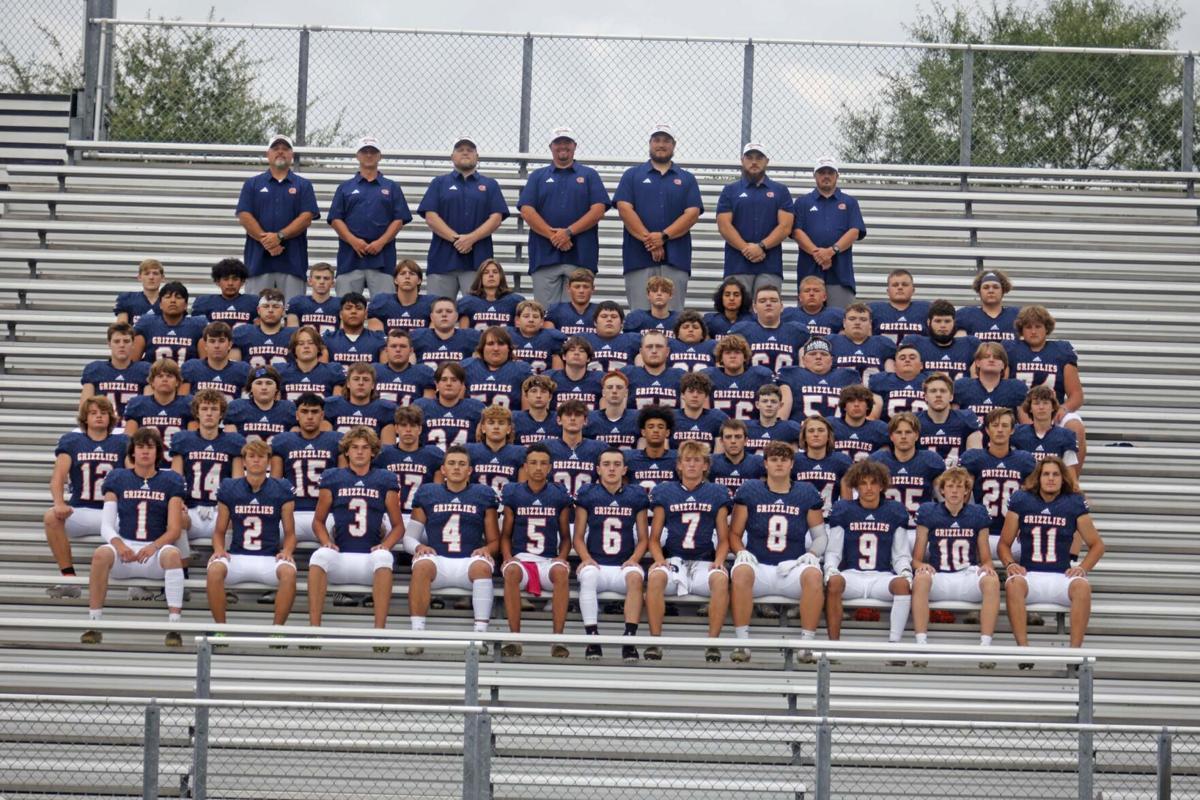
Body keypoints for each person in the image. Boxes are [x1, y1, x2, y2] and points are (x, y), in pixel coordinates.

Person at [80, 428, 188, 647]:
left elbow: (174, 529)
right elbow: (107, 525)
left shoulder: (171, 480)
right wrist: (119, 545)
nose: (145, 452)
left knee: (173, 555)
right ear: (132, 451)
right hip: (126, 550)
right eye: (140, 447)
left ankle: (174, 626)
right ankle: (93, 622)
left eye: (150, 447)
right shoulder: (118, 477)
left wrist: (153, 546)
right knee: (101, 553)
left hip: (154, 552)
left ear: (158, 452)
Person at [728, 441, 827, 663]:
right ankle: (742, 644)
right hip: (759, 567)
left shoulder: (805, 492)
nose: (779, 464)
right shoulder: (751, 491)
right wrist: (740, 551)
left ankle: (806, 645)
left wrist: (812, 554)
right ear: (765, 464)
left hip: (791, 568)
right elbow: (734, 534)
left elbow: (820, 536)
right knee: (741, 572)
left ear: (792, 464)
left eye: (784, 459)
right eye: (774, 459)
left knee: (814, 574)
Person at [1000, 456, 1105, 651]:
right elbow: (1004, 544)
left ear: (1063, 478)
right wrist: (1009, 564)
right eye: (1046, 474)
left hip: (1060, 576)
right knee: (1014, 584)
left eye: (1056, 474)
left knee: (1082, 587)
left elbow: (1097, 545)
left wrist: (1082, 568)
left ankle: (1074, 652)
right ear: (1038, 477)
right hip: (1030, 574)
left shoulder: (1073, 503)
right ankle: (1023, 650)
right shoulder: (1022, 500)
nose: (1051, 478)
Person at [405, 444, 501, 649]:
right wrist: (418, 547)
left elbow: (494, 540)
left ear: (470, 470)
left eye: (461, 464)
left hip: (469, 562)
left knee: (483, 566)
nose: (456, 467)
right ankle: (416, 634)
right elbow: (409, 538)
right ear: (443, 469)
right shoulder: (428, 492)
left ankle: (480, 636)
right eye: (451, 463)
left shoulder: (483, 494)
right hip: (438, 561)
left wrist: (488, 549)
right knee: (421, 565)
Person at [308, 427, 402, 633]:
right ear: (347, 451)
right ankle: (314, 630)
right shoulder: (333, 477)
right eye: (355, 447)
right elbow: (318, 521)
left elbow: (398, 527)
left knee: (384, 557)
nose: (360, 452)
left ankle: (379, 632)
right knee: (318, 556)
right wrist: (326, 541)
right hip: (341, 556)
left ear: (373, 452)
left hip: (370, 559)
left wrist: (384, 546)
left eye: (365, 448)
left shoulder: (385, 479)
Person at [646, 440, 733, 662]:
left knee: (721, 580)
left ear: (706, 466)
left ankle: (712, 644)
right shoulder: (665, 491)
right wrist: (658, 560)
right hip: (674, 558)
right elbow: (654, 538)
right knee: (655, 576)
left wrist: (720, 560)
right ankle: (655, 642)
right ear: (679, 465)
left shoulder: (716, 492)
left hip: (704, 560)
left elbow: (724, 538)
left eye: (697, 460)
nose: (692, 465)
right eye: (688, 460)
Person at [912, 466, 999, 664]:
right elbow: (916, 558)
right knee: (921, 577)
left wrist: (987, 567)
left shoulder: (977, 513)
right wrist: (922, 566)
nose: (954, 491)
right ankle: (920, 645)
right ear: (942, 490)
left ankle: (985, 647)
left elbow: (986, 558)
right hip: (939, 577)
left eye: (959, 487)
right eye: (950, 486)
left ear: (967, 491)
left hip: (966, 576)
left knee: (992, 581)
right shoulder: (928, 512)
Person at [206, 439, 298, 626]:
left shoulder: (281, 489)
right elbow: (219, 531)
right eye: (251, 456)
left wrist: (287, 551)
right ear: (244, 462)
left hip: (268, 557)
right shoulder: (230, 487)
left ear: (268, 461)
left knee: (289, 573)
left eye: (261, 456)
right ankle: (220, 628)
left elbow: (290, 533)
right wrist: (218, 549)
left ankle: (277, 631)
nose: (256, 460)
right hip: (238, 556)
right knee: (214, 569)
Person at [517, 127, 610, 307]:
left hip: (581, 257)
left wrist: (568, 232)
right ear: (551, 146)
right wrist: (554, 236)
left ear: (575, 146)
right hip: (545, 257)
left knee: (576, 317)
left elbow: (598, 210)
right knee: (545, 315)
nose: (563, 146)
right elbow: (527, 210)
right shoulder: (538, 176)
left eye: (567, 142)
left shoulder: (589, 175)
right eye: (558, 143)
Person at [44, 397, 128, 597]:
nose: (99, 416)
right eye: (93, 413)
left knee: (141, 519)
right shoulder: (72, 442)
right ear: (85, 418)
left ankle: (136, 581)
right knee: (51, 517)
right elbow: (58, 477)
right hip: (81, 509)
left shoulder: (123, 442)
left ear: (111, 418)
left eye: (103, 413)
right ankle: (69, 578)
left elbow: (133, 475)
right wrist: (59, 502)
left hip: (113, 513)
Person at [823, 459, 914, 645]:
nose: (869, 488)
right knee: (833, 582)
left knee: (902, 585)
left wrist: (905, 571)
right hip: (852, 576)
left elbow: (900, 553)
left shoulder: (894, 511)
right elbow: (833, 550)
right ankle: (833, 645)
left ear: (882, 485)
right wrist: (831, 568)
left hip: (881, 577)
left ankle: (894, 645)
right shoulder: (844, 509)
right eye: (863, 483)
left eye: (873, 482)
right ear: (856, 485)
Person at [613, 124, 702, 311]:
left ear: (674, 145)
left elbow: (692, 213)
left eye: (666, 141)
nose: (661, 145)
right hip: (638, 258)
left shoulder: (687, 179)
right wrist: (651, 241)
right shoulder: (632, 176)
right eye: (657, 140)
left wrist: (663, 237)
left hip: (676, 259)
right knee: (639, 318)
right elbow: (624, 209)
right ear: (650, 143)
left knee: (674, 319)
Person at [574, 448, 650, 662]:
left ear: (625, 469)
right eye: (606, 464)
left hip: (622, 565)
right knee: (587, 576)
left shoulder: (635, 495)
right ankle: (592, 638)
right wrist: (586, 558)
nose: (611, 468)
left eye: (617, 464)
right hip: (596, 564)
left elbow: (643, 537)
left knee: (636, 576)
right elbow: (578, 536)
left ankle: (629, 639)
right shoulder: (588, 494)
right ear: (598, 469)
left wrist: (634, 559)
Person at [499, 444, 574, 656]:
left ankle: (557, 640)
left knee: (561, 571)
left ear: (550, 467)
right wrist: (507, 558)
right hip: (521, 559)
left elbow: (566, 538)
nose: (538, 468)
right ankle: (515, 639)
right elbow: (505, 535)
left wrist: (561, 558)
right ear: (525, 466)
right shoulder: (513, 493)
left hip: (548, 561)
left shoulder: (558, 494)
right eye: (533, 463)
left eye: (543, 463)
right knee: (511, 571)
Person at [418, 136, 510, 299]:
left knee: (476, 314)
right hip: (442, 262)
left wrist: (471, 239)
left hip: (478, 264)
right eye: (460, 150)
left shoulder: (490, 185)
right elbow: (431, 217)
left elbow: (496, 218)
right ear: (452, 157)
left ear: (477, 156)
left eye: (470, 150)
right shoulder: (439, 183)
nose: (465, 153)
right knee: (440, 312)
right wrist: (457, 240)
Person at [326, 136, 412, 297]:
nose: (369, 155)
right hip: (350, 260)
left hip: (382, 260)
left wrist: (380, 242)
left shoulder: (392, 187)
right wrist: (353, 241)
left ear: (380, 156)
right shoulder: (345, 188)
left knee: (384, 309)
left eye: (373, 151)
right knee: (347, 308)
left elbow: (399, 220)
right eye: (364, 151)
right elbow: (336, 219)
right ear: (357, 156)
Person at [235, 134, 319, 298]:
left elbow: (306, 217)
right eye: (276, 148)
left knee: (291, 314)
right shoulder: (252, 184)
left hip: (293, 263)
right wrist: (269, 243)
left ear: (292, 155)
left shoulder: (303, 185)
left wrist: (279, 236)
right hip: (258, 263)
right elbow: (244, 215)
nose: (280, 152)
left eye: (285, 149)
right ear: (268, 154)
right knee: (258, 311)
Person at [1006, 305, 1087, 468]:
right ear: (1021, 330)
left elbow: (1076, 395)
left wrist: (1063, 409)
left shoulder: (1061, 351)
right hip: (1020, 411)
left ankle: (1072, 484)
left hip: (1052, 411)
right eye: (1028, 327)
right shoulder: (1011, 350)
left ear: (1047, 328)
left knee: (1075, 426)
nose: (1033, 331)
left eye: (1038, 326)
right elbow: (1005, 389)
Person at [170, 390, 246, 554]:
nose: (209, 413)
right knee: (176, 516)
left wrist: (228, 506)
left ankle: (224, 563)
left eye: (214, 409)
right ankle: (183, 569)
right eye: (204, 409)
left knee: (235, 518)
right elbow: (174, 480)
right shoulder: (184, 440)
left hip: (220, 512)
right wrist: (179, 502)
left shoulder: (233, 441)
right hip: (191, 511)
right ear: (197, 412)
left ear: (221, 414)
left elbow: (238, 483)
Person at [715, 142, 794, 297]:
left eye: (759, 157)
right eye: (749, 157)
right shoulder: (729, 191)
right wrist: (747, 249)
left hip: (770, 265)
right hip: (737, 265)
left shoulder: (781, 191)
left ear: (767, 161)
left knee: (767, 314)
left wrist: (761, 247)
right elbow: (724, 226)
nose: (754, 162)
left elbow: (785, 226)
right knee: (738, 315)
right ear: (742, 160)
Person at [960, 408, 1037, 560]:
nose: (1000, 430)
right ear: (987, 430)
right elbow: (963, 496)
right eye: (995, 425)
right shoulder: (974, 458)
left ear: (1012, 430)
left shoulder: (1024, 460)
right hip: (981, 532)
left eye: (1004, 425)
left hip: (1013, 535)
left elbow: (1033, 498)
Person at [791, 156, 866, 309]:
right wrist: (818, 254)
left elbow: (854, 231)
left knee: (841, 322)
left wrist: (831, 251)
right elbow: (797, 232)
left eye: (830, 173)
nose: (826, 176)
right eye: (821, 172)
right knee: (807, 323)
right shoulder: (802, 202)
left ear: (837, 176)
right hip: (809, 272)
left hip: (840, 274)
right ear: (815, 176)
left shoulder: (850, 202)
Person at [270, 393, 343, 543]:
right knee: (267, 538)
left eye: (315, 412)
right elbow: (274, 483)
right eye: (304, 411)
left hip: (327, 515)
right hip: (293, 513)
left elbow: (344, 481)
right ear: (297, 415)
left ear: (322, 415)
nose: (310, 417)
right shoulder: (283, 441)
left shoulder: (336, 440)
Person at [870, 412, 946, 524]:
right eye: (899, 432)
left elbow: (944, 500)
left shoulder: (930, 461)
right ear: (891, 436)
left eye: (908, 432)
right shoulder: (878, 461)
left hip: (919, 527)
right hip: (887, 528)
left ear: (916, 435)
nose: (903, 437)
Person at [372, 404, 442, 518]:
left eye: (413, 426)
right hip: (388, 516)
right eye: (404, 425)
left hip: (419, 517)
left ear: (420, 429)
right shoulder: (383, 454)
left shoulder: (432, 455)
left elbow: (437, 493)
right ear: (396, 428)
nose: (408, 430)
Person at [81, 322, 151, 426]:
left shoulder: (144, 370)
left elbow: (148, 409)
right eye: (117, 341)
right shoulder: (95, 369)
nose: (121, 345)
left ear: (133, 344)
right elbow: (84, 409)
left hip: (133, 433)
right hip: (103, 431)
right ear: (109, 343)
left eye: (126, 341)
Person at [730, 285, 808, 375]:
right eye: (762, 301)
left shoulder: (798, 331)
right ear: (754, 308)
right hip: (754, 387)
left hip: (786, 387)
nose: (768, 304)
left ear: (782, 306)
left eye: (773, 300)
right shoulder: (742, 331)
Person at [778, 337, 861, 421]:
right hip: (801, 431)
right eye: (812, 354)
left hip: (838, 431)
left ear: (831, 360)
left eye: (824, 354)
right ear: (803, 360)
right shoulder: (792, 374)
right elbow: (782, 414)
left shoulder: (846, 376)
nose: (818, 357)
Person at [124, 359, 191, 463]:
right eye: (160, 376)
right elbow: (128, 441)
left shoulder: (187, 404)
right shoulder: (139, 404)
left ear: (178, 382)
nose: (165, 379)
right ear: (152, 381)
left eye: (169, 376)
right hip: (146, 467)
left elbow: (192, 443)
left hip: (175, 467)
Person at [414, 361, 487, 450]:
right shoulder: (421, 407)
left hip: (463, 462)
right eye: (444, 379)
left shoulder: (476, 408)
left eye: (454, 380)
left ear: (461, 384)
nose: (449, 383)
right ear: (437, 384)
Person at [901, 300, 978, 382]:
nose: (943, 326)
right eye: (938, 321)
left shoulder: (970, 344)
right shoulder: (915, 343)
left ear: (954, 323)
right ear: (928, 322)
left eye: (947, 321)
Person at [953, 342, 1028, 427]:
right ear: (977, 362)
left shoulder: (1016, 388)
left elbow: (1026, 427)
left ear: (1004, 364)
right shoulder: (962, 386)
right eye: (986, 357)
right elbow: (953, 425)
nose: (991, 360)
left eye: (997, 357)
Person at [703, 333, 776, 421]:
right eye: (727, 353)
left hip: (751, 431)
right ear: (721, 358)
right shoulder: (709, 376)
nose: (732, 356)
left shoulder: (759, 376)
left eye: (737, 352)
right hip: (719, 432)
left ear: (745, 357)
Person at [545, 399, 608, 498]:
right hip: (556, 507)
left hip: (588, 507)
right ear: (559, 420)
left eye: (578, 415)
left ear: (586, 420)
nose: (573, 418)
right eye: (568, 415)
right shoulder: (546, 447)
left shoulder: (599, 448)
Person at [132, 282, 207, 364]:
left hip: (186, 376)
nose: (173, 301)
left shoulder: (197, 325)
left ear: (185, 305)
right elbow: (132, 363)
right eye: (168, 297)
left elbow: (204, 366)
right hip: (154, 376)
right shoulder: (147, 323)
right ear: (160, 304)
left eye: (178, 297)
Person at [792, 415, 852, 517]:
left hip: (829, 522)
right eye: (811, 431)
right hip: (800, 522)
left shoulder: (841, 461)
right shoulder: (794, 460)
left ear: (829, 436)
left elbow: (846, 502)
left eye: (821, 430)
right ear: (804, 436)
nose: (816, 434)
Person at [1013, 385, 1081, 474]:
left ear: (1053, 407)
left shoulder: (1065, 436)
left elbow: (1070, 476)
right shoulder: (1017, 433)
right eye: (1036, 403)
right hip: (1026, 486)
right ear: (1030, 408)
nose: (1041, 407)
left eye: (1045, 403)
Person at [916, 372, 983, 464]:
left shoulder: (966, 418)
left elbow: (976, 459)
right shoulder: (915, 421)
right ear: (925, 397)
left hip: (957, 476)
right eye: (933, 391)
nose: (938, 395)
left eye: (943, 391)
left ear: (951, 397)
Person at [324, 362, 397, 442]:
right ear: (348, 383)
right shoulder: (332, 405)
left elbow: (386, 449)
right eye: (356, 379)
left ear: (373, 385)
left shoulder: (384, 409)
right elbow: (327, 445)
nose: (361, 383)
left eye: (366, 379)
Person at [462, 327, 533, 409]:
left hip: (509, 421)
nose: (496, 348)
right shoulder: (467, 367)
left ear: (509, 348)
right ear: (482, 348)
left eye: (501, 344)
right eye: (490, 344)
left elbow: (527, 414)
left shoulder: (522, 370)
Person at [466, 405, 527, 497]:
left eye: (501, 423)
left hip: (506, 505)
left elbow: (522, 492)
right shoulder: (470, 451)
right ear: (483, 428)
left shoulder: (520, 453)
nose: (496, 427)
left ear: (509, 429)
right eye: (491, 423)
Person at [224, 366, 296, 444]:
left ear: (276, 388)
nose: (264, 387)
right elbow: (231, 443)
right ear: (250, 387)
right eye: (259, 383)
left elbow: (292, 445)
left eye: (269, 383)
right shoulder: (237, 407)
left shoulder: (288, 408)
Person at [181, 322, 251, 401]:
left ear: (230, 345)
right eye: (212, 341)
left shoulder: (242, 370)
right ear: (205, 345)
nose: (217, 346)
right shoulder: (192, 368)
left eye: (221, 341)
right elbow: (183, 402)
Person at [367, 259, 437, 333]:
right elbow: (377, 339)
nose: (407, 276)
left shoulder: (431, 303)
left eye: (412, 273)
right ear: (395, 280)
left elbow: (432, 339)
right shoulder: (382, 302)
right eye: (402, 273)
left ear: (419, 280)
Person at [829, 302, 895, 381]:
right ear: (844, 322)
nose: (857, 323)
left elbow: (892, 377)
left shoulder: (883, 343)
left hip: (872, 392)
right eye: (852, 319)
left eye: (863, 319)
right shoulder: (831, 341)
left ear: (870, 324)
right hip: (839, 392)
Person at [411, 297, 481, 369]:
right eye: (439, 311)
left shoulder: (470, 337)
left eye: (449, 311)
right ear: (431, 317)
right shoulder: (417, 336)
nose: (444, 314)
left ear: (456, 316)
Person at [457, 258, 527, 331]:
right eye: (486, 272)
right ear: (480, 277)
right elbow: (464, 335)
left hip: (505, 342)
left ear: (501, 276)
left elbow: (520, 334)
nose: (491, 275)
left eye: (495, 272)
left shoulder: (515, 301)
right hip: (477, 342)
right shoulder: (468, 302)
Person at [232, 289, 295, 369]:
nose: (270, 310)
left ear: (283, 311)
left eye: (276, 307)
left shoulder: (294, 335)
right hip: (251, 381)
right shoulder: (243, 333)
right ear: (258, 310)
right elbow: (234, 368)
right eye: (266, 306)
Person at [279, 326, 346, 401]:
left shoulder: (332, 371)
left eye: (311, 343)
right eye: (301, 344)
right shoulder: (282, 371)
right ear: (294, 349)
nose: (306, 346)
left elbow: (336, 404)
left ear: (318, 348)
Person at [623, 330, 685, 409]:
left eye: (659, 346)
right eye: (649, 347)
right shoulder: (628, 374)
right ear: (641, 352)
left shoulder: (681, 376)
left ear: (667, 351)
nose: (654, 351)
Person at [868, 343, 929, 422]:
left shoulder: (930, 380)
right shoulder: (881, 380)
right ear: (895, 365)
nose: (907, 360)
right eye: (902, 358)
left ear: (921, 365)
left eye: (912, 358)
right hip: (890, 429)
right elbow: (872, 417)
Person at [374, 329, 436, 407]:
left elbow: (428, 406)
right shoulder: (375, 371)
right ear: (386, 350)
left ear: (411, 351)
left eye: (403, 346)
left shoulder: (423, 373)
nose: (398, 350)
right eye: (393, 346)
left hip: (412, 418)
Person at [323, 293, 387, 366]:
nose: (353, 311)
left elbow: (384, 372)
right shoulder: (328, 339)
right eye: (348, 308)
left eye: (358, 308)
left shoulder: (379, 339)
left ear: (366, 314)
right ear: (340, 314)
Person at [623, 406, 677, 493]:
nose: (656, 430)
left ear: (667, 432)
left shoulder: (677, 459)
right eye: (651, 427)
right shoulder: (630, 459)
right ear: (643, 432)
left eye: (660, 427)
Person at [831, 384, 890, 462]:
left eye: (861, 401)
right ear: (844, 406)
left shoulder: (879, 428)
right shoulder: (831, 425)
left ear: (868, 406)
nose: (856, 405)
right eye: (851, 401)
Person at [956, 270, 1018, 343]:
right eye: (986, 287)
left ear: (1003, 290)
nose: (991, 291)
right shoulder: (966, 315)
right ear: (979, 291)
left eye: (995, 287)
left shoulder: (1016, 315)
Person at [870, 269, 929, 346]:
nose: (900, 287)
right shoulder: (873, 309)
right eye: (895, 285)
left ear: (913, 290)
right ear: (888, 291)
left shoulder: (926, 309)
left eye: (904, 284)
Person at [193, 258, 258, 327]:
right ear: (217, 282)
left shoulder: (254, 302)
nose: (230, 283)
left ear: (242, 282)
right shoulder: (204, 302)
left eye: (235, 279)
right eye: (225, 279)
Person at [672, 372, 727, 452]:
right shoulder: (672, 418)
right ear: (682, 395)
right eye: (691, 391)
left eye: (700, 392)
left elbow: (717, 457)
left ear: (706, 396)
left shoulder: (717, 418)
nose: (695, 395)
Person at [507, 300, 565, 375]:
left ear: (541, 322)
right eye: (526, 316)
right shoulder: (508, 335)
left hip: (542, 384)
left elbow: (557, 374)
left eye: (535, 316)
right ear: (517, 320)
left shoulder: (552, 337)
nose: (531, 320)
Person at [582, 301, 642, 373]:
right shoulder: (584, 340)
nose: (609, 319)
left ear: (622, 323)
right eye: (604, 316)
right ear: (595, 322)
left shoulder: (633, 340)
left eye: (614, 316)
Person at [709, 418, 765, 494]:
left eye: (738, 437)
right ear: (721, 441)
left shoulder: (758, 462)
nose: (733, 441)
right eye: (728, 437)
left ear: (746, 441)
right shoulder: (711, 462)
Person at [585, 371, 640, 449]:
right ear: (603, 392)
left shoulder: (637, 418)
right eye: (610, 387)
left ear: (626, 393)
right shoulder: (590, 418)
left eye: (619, 387)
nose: (614, 391)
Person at [546, 336, 603, 411]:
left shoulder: (600, 379)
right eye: (572, 350)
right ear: (564, 356)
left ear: (588, 358)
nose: (576, 353)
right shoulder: (550, 377)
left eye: (582, 351)